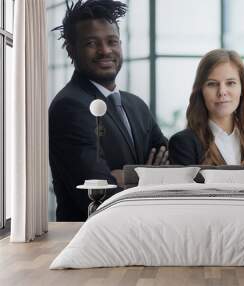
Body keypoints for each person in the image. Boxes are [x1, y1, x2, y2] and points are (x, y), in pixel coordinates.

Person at [49, 0, 168, 221]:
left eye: (112, 41)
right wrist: (147, 176)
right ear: (71, 50)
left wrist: (127, 177)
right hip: (92, 240)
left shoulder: (136, 106)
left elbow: (172, 172)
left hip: (142, 235)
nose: (105, 50)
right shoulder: (69, 107)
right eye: (91, 43)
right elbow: (98, 193)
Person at [169, 49, 244, 168]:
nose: (222, 92)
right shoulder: (184, 144)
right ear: (201, 91)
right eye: (212, 84)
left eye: (230, 83)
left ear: (242, 89)